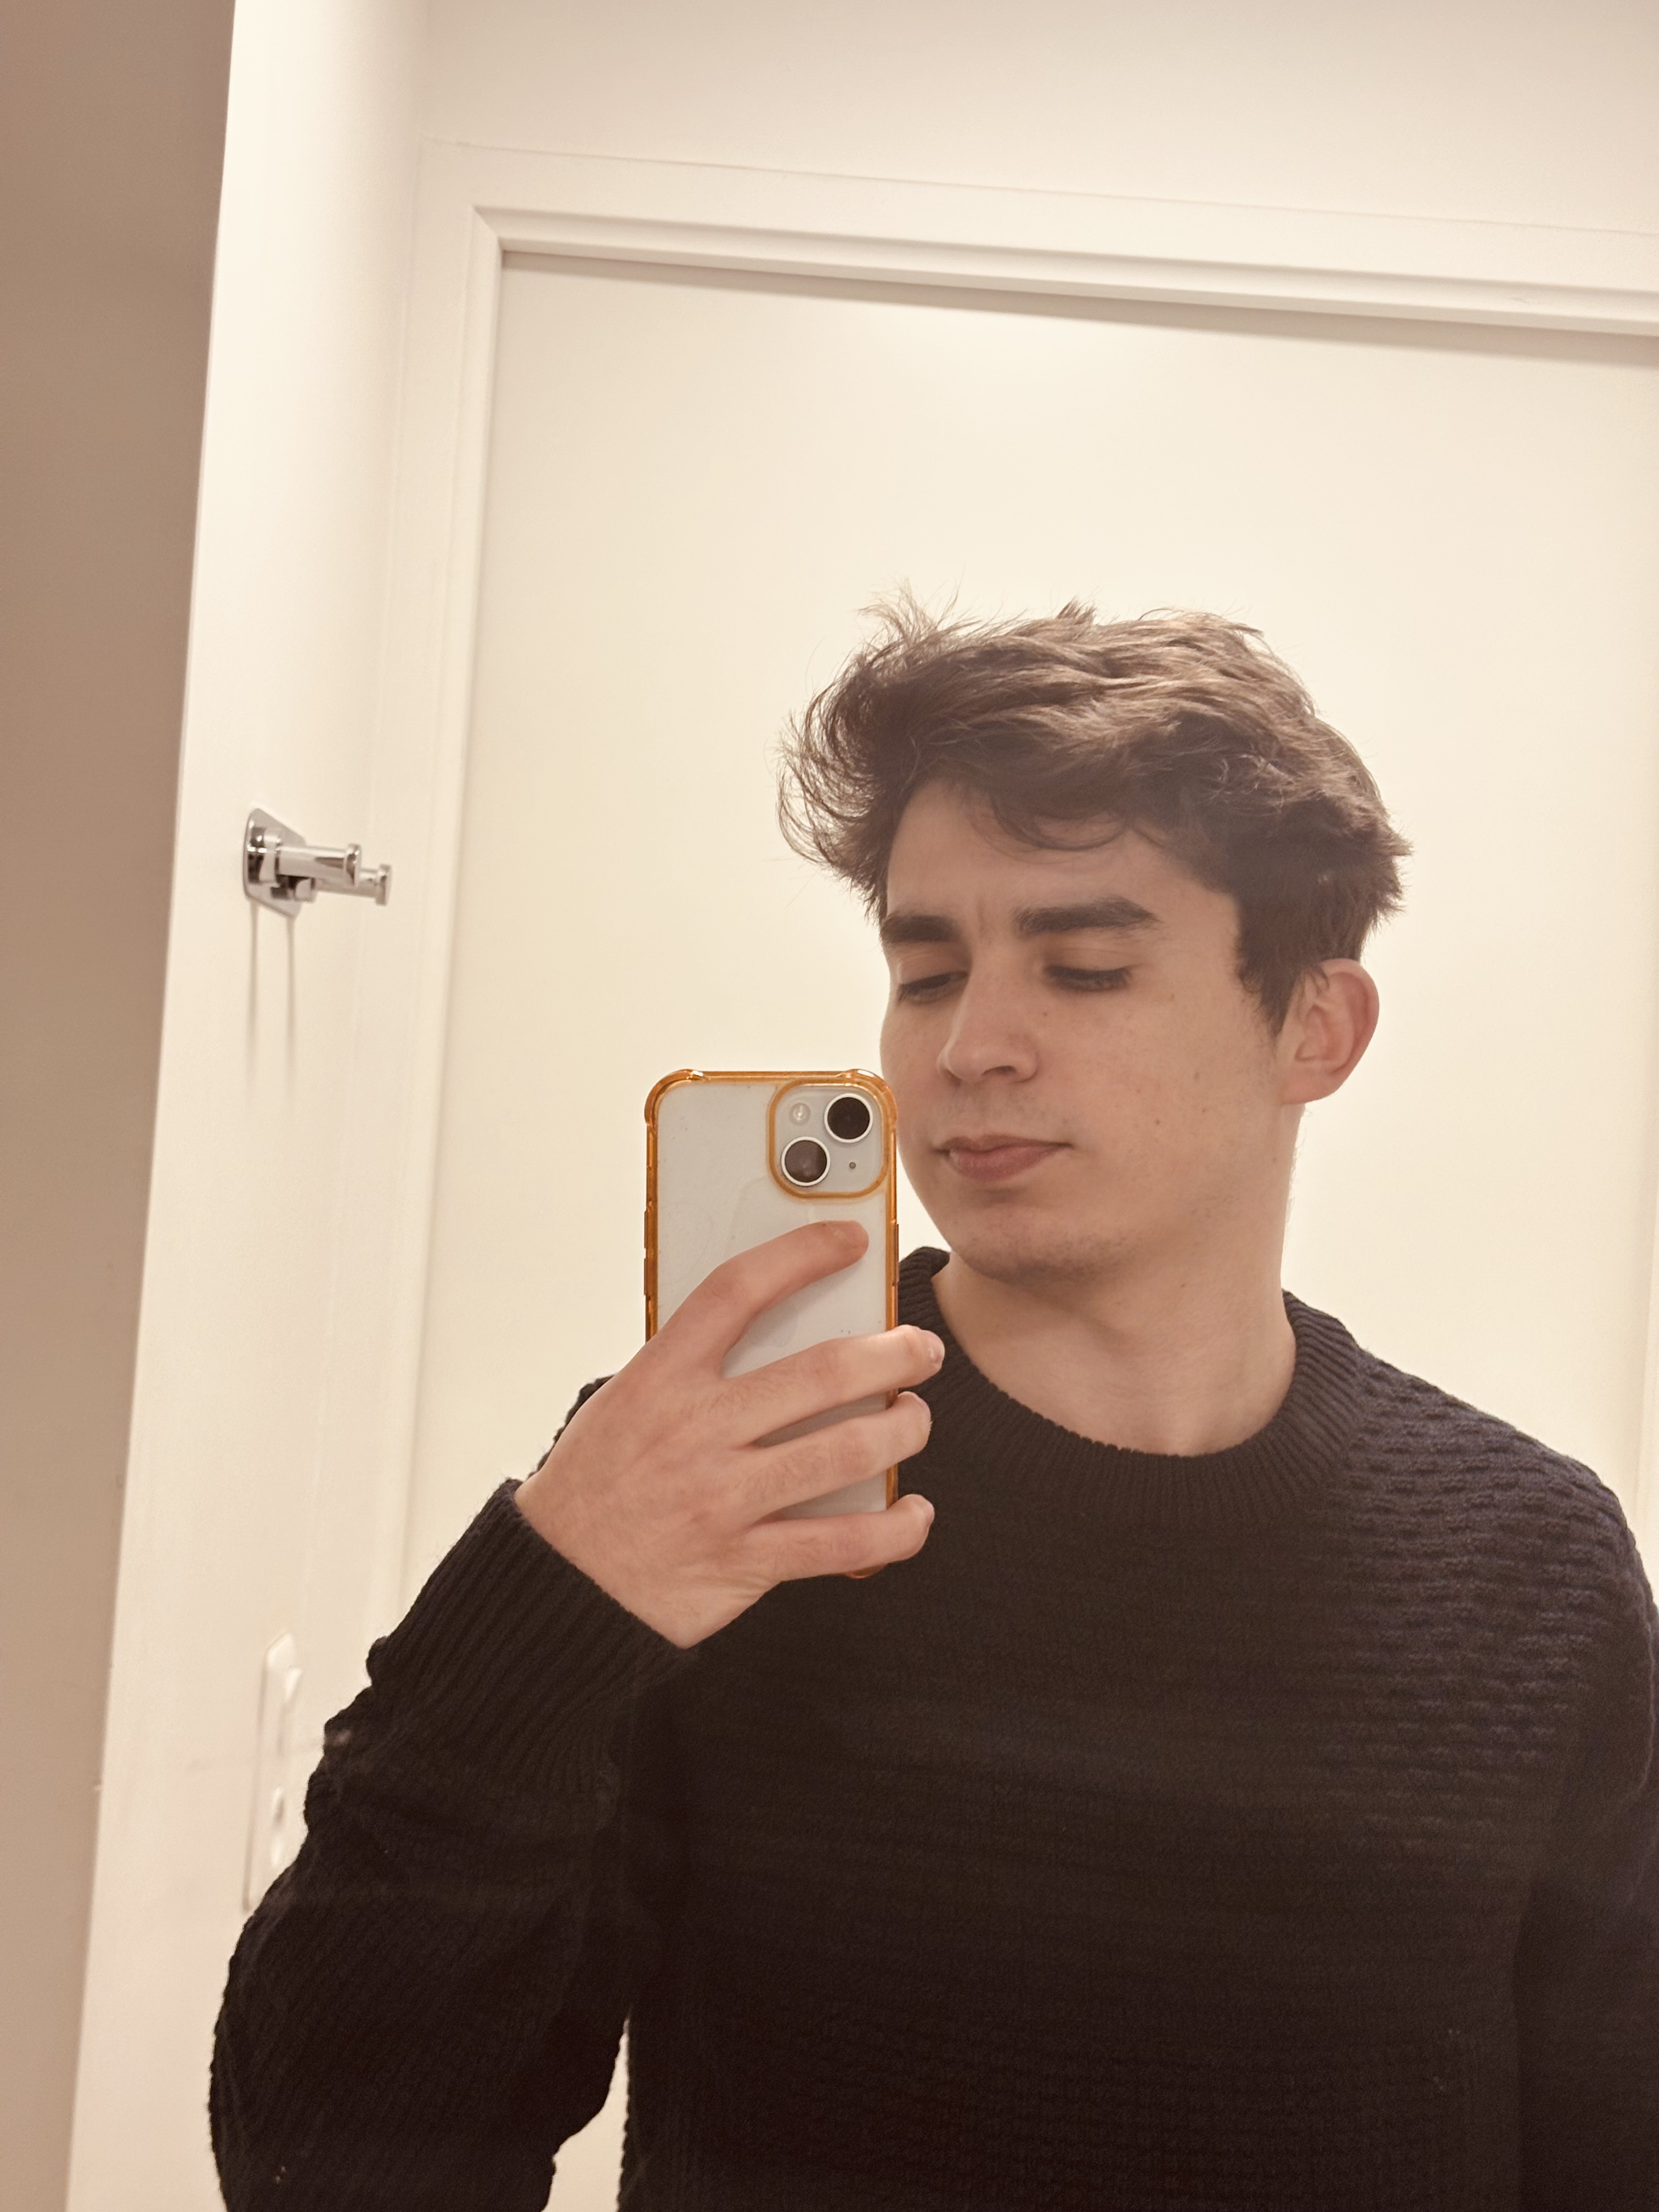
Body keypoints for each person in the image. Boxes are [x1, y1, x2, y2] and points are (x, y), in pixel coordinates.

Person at [211, 600, 1659, 2211]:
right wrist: (548, 1595)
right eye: (926, 971)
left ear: (1315, 1028)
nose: (969, 1048)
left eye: (1085, 968)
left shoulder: (1530, 1565)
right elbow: (327, 2164)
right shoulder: (725, 1487)